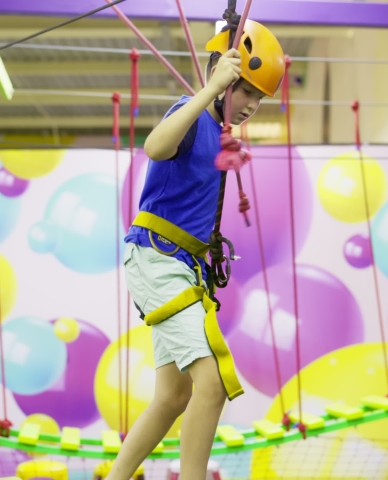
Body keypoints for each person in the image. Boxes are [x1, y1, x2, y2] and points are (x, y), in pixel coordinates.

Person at [104, 19, 286, 480]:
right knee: (213, 382)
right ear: (222, 77)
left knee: (173, 396)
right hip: (157, 256)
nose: (252, 105)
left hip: (179, 265)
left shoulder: (220, 134)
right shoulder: (191, 111)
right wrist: (210, 91)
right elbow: (155, 146)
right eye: (246, 91)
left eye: (259, 98)